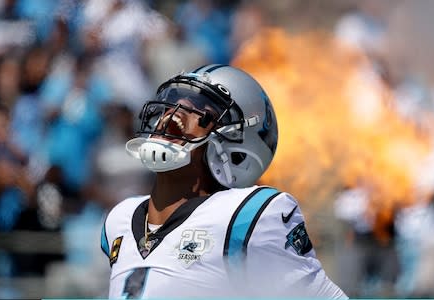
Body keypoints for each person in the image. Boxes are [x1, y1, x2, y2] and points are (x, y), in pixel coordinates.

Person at [101, 64, 347, 298]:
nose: (175, 109)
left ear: (236, 148)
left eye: (202, 110)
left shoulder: (250, 215)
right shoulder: (119, 219)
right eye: (173, 100)